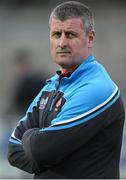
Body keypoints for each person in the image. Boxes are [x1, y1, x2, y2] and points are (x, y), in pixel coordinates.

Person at [7, 1, 125, 179]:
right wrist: (44, 149)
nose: (62, 42)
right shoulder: (51, 85)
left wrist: (32, 137)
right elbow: (13, 150)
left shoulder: (97, 88)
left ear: (90, 38)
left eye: (70, 34)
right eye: (56, 34)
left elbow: (41, 150)